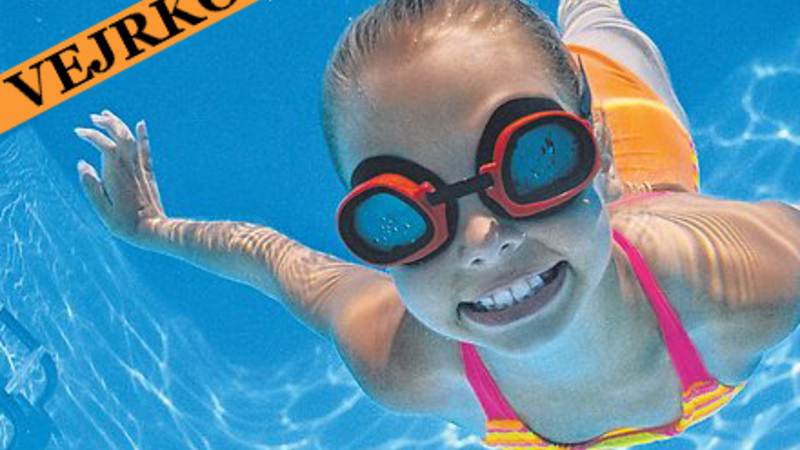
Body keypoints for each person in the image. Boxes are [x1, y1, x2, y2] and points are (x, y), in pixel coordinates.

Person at [74, 0, 800, 447]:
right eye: (403, 214)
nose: (483, 241)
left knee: (595, 23)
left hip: (644, 148)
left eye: (536, 161)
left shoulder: (753, 282)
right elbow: (277, 261)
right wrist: (152, 229)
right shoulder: (404, 365)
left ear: (594, 148)